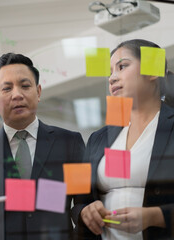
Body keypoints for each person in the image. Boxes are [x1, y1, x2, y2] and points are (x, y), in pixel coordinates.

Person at [0, 53, 85, 240]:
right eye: (7, 88)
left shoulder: (69, 143)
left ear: (38, 92)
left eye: (25, 86)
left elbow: (83, 206)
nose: (17, 94)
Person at [71, 39, 174, 240]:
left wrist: (156, 216)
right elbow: (78, 203)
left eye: (122, 66)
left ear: (153, 71)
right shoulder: (98, 138)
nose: (112, 78)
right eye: (110, 72)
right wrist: (85, 212)